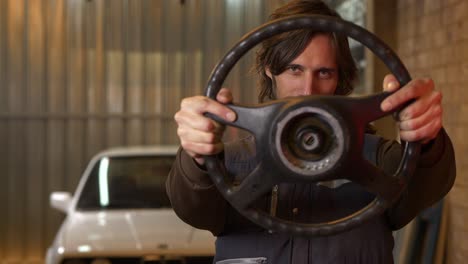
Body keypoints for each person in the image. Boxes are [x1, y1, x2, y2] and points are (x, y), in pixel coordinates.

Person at [166, 0, 456, 263]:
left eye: (324, 73)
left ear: (340, 77)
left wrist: (425, 140)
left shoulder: (377, 158)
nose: (307, 90)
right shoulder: (230, 161)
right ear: (270, 69)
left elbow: (424, 186)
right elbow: (193, 208)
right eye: (295, 69)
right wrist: (197, 158)